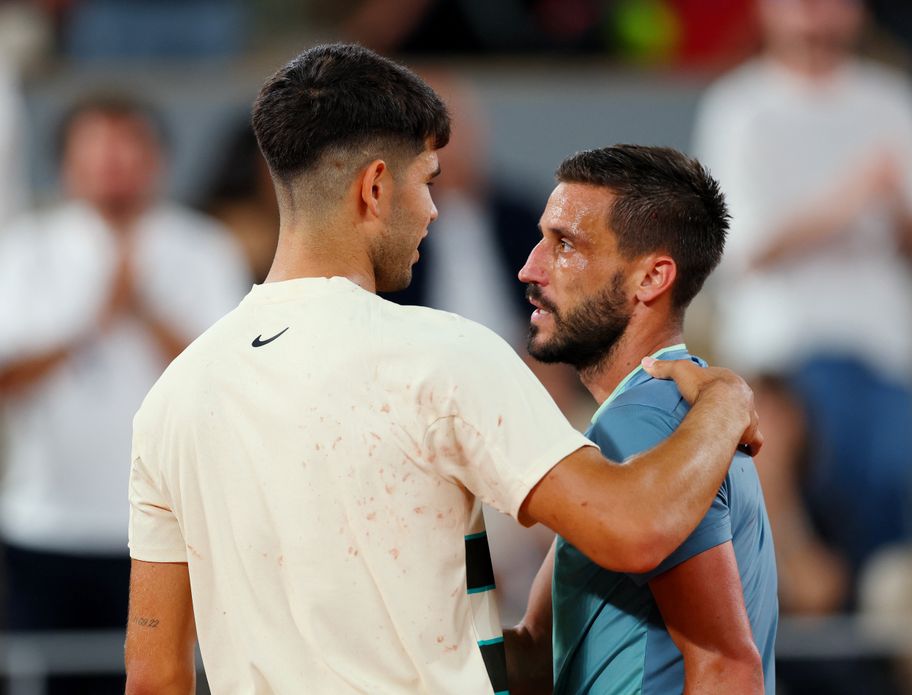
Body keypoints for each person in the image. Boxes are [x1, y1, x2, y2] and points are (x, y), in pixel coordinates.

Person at [124, 43, 762, 695]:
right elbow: (638, 529)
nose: (433, 208)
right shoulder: (443, 353)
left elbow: (152, 677)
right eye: (427, 180)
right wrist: (726, 398)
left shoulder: (174, 393)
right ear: (374, 187)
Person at [694, 0, 912, 586]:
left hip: (885, 345)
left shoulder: (892, 99)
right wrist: (845, 201)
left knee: (889, 474)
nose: (816, 13)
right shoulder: (739, 107)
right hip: (780, 347)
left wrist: (892, 204)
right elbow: (737, 247)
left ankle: (876, 630)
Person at [504, 145, 778, 695]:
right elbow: (537, 650)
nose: (529, 267)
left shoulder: (648, 422)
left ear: (651, 278)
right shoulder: (657, 418)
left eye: (564, 245)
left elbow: (726, 666)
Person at [0, 93, 249, 694]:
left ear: (157, 159)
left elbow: (233, 380)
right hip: (44, 518)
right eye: (97, 152)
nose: (114, 166)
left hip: (167, 526)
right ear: (65, 165)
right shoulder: (24, 250)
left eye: (128, 149)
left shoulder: (204, 248)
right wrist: (91, 322)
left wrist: (143, 308)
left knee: (158, 679)